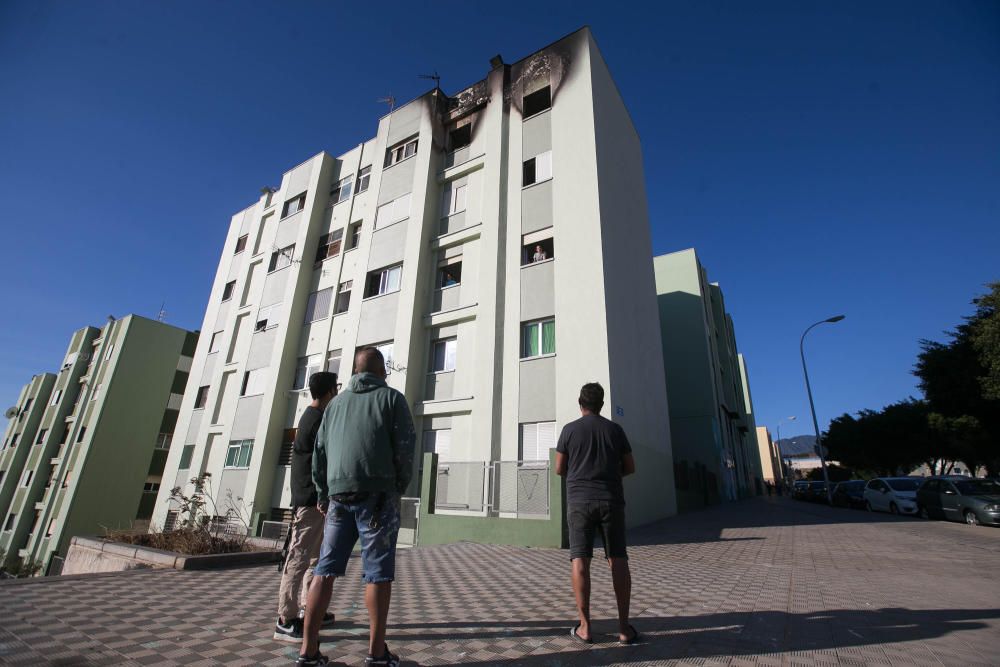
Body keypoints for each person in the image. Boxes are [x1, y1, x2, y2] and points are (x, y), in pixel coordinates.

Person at [296, 347, 414, 667]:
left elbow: (319, 454)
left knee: (325, 570)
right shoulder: (392, 399)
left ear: (355, 372)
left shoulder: (335, 405)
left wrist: (323, 494)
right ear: (380, 372)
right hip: (378, 496)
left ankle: (308, 652)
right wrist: (398, 486)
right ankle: (376, 653)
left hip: (337, 498)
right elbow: (405, 448)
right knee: (377, 575)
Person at [555, 382, 639, 645]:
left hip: (579, 502)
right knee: (618, 558)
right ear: (601, 405)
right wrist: (610, 476)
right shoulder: (615, 430)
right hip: (611, 501)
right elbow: (629, 466)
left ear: (581, 403)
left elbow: (559, 468)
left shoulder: (569, 430)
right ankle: (624, 629)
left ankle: (585, 627)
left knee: (580, 560)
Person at [274, 371, 339, 642]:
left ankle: (310, 608)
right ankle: (285, 619)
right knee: (299, 557)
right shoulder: (316, 421)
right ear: (328, 392)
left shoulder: (311, 418)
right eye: (334, 388)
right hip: (310, 500)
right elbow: (320, 462)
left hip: (315, 500)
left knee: (315, 558)